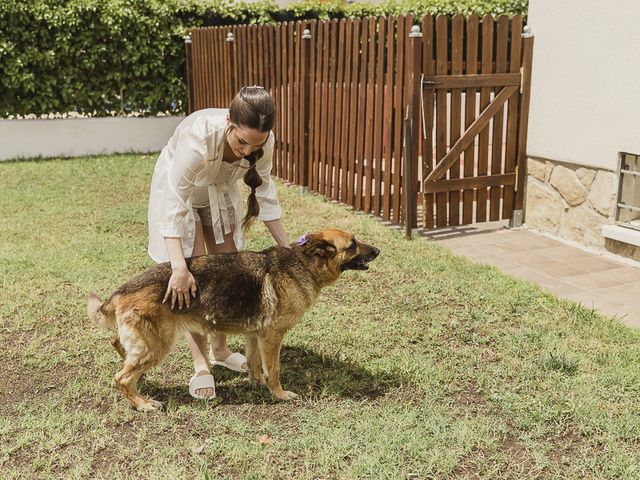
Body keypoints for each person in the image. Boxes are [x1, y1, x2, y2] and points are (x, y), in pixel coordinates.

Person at [147, 86, 289, 399]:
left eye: (256, 144)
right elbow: (174, 203)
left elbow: (265, 194)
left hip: (219, 192)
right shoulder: (198, 139)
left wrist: (286, 246)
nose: (246, 151)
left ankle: (220, 350)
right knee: (196, 280)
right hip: (183, 195)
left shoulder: (263, 143)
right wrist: (179, 267)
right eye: (241, 141)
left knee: (232, 273)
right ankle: (201, 365)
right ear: (229, 122)